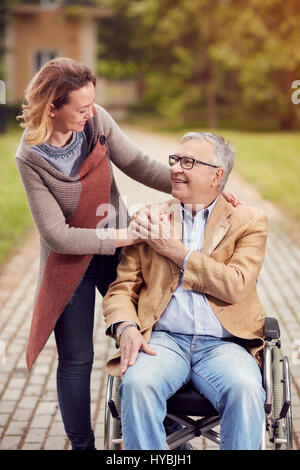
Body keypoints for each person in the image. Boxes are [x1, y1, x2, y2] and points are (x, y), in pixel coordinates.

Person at [15, 58, 237, 450]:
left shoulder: (96, 122)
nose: (90, 113)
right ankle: (83, 447)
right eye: (80, 109)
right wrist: (126, 233)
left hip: (118, 245)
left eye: (91, 105)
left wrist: (199, 187)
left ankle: (167, 430)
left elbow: (136, 163)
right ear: (53, 107)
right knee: (77, 359)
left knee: (153, 325)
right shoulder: (31, 158)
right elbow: (57, 235)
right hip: (72, 261)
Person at [103, 131, 268, 450]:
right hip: (163, 341)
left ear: (216, 175)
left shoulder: (249, 222)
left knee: (246, 389)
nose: (176, 168)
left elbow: (234, 285)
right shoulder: (150, 219)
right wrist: (126, 327)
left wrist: (176, 251)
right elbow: (121, 290)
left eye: (189, 162)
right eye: (175, 160)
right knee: (137, 385)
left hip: (224, 345)